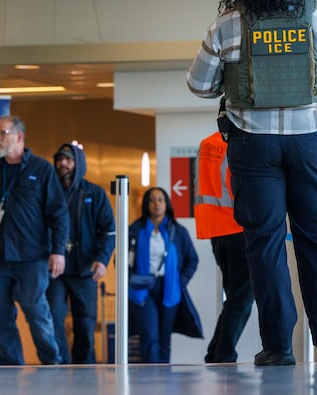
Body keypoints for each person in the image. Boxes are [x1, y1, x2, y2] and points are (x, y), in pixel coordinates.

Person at [187, 0, 317, 366]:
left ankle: (278, 347)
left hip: (253, 148)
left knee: (265, 245)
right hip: (309, 144)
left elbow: (200, 85)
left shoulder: (227, 23)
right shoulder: (316, 15)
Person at [0, 115, 69, 365]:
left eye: (2, 133)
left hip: (31, 258)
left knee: (37, 314)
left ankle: (52, 363)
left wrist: (58, 251)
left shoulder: (42, 170)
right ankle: (11, 370)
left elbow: (58, 214)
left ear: (19, 137)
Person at [46, 142, 116, 364]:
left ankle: (83, 371)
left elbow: (109, 231)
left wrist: (102, 259)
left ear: (78, 163)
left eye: (68, 159)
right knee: (53, 318)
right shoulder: (47, 193)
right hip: (54, 270)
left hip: (85, 269)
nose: (63, 164)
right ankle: (59, 364)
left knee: (85, 324)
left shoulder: (94, 193)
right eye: (60, 159)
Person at [193, 131, 253, 363]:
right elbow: (245, 186)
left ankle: (216, 351)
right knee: (243, 299)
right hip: (236, 227)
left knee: (235, 297)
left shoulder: (206, 143)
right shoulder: (239, 143)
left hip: (214, 230)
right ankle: (224, 353)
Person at [128, 187, 203, 363]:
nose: (157, 204)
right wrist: (130, 281)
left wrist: (180, 282)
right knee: (149, 335)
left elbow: (192, 260)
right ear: (147, 204)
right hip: (142, 289)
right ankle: (150, 380)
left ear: (166, 203)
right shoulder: (135, 229)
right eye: (152, 200)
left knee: (164, 339)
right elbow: (123, 260)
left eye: (160, 199)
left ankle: (165, 383)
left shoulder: (178, 231)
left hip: (169, 289)